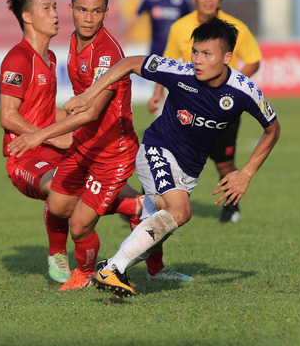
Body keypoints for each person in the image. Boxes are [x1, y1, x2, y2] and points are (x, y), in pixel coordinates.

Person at [64, 16, 280, 297]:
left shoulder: (243, 90)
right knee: (180, 211)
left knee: (155, 229)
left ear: (228, 57)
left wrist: (246, 173)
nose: (197, 60)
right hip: (156, 149)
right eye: (195, 52)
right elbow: (129, 63)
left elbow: (272, 129)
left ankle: (119, 252)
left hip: (189, 170)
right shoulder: (180, 72)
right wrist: (89, 95)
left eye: (206, 54)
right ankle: (111, 270)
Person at [7, 0, 191, 291]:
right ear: (71, 8)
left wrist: (40, 135)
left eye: (97, 11)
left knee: (79, 225)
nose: (89, 18)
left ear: (106, 12)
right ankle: (140, 227)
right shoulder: (69, 42)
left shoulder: (107, 53)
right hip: (84, 145)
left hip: (112, 153)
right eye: (82, 10)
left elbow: (91, 110)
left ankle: (86, 273)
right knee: (58, 206)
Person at [0, 0, 143, 286]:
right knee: (64, 199)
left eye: (54, 7)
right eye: (48, 8)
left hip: (88, 147)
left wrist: (56, 133)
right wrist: (49, 135)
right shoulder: (18, 59)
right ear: (28, 16)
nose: (55, 15)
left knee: (73, 208)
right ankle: (59, 255)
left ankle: (137, 253)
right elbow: (8, 117)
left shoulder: (53, 56)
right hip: (24, 155)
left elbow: (71, 111)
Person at [150, 0, 262, 224]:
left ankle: (231, 206)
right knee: (167, 153)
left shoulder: (236, 27)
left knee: (224, 162)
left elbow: (253, 59)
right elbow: (166, 65)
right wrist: (157, 94)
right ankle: (152, 204)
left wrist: (232, 87)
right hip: (187, 106)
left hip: (222, 111)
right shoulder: (180, 27)